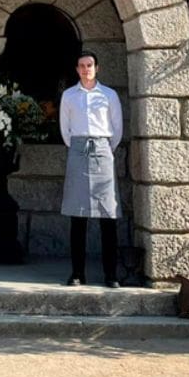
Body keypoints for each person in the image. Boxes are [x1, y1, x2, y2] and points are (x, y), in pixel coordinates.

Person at [59, 49, 123, 288]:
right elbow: (65, 129)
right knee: (78, 216)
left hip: (103, 150)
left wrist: (103, 148)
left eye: (90, 65)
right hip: (77, 150)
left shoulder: (108, 95)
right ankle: (77, 273)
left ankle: (111, 275)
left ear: (97, 68)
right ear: (77, 69)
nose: (86, 69)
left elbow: (116, 128)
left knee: (108, 216)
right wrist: (78, 146)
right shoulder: (69, 96)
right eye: (82, 65)